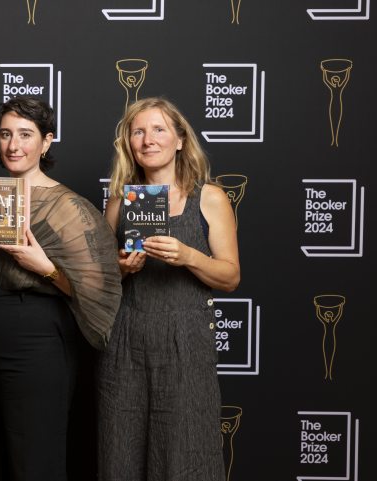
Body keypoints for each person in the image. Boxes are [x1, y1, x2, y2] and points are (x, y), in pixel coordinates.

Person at [0, 97, 122, 481]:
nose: (14, 145)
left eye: (25, 135)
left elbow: (95, 292)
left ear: (46, 142)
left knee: (35, 459)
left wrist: (46, 269)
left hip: (35, 337)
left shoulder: (69, 208)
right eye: (6, 134)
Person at [97, 97, 240, 481]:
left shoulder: (209, 198)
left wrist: (189, 256)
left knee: (185, 452)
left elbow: (230, 277)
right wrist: (122, 269)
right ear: (128, 142)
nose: (148, 140)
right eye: (138, 131)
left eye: (159, 129)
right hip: (127, 341)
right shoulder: (119, 202)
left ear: (180, 139)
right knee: (119, 450)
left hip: (186, 342)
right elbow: (98, 278)